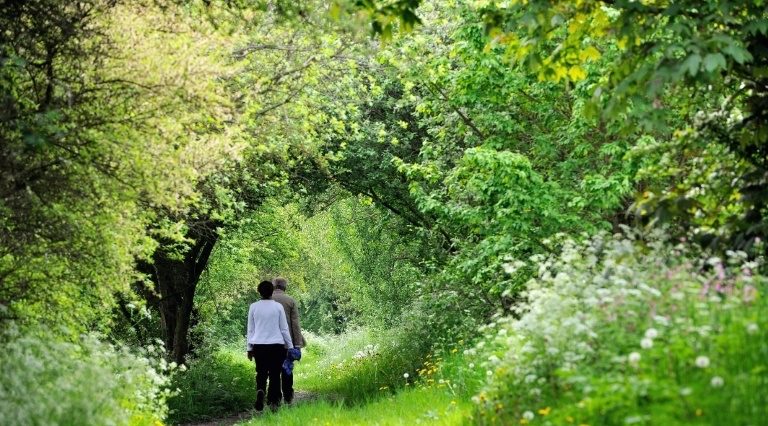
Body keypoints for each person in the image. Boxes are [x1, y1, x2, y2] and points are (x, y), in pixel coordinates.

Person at [247, 280, 293, 412]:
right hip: (277, 345)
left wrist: (249, 349)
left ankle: (260, 390)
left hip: (259, 345)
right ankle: (273, 401)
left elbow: (251, 329)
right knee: (274, 374)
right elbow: (284, 329)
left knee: (261, 371)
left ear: (259, 292)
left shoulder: (253, 307)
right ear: (272, 291)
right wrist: (289, 347)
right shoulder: (278, 307)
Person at [271, 276, 306, 404]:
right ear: (285, 287)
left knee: (273, 369)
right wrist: (297, 344)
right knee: (287, 368)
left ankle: (275, 397)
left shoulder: (266, 300)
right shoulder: (290, 300)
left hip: (269, 342)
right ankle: (288, 395)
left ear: (273, 287)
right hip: (287, 341)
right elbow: (295, 323)